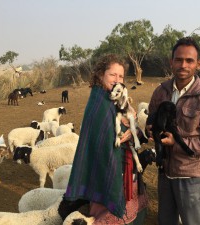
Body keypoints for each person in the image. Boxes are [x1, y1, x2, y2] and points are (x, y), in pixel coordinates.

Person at [146, 37, 200, 225]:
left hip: (190, 175)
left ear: (199, 64)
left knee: (192, 222)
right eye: (179, 59)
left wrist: (178, 143)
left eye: (189, 61)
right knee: (166, 221)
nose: (183, 65)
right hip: (164, 171)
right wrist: (150, 130)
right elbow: (152, 119)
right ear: (171, 62)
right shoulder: (161, 92)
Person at [59, 54, 148, 224]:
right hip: (108, 166)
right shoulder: (100, 101)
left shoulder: (110, 97)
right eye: (112, 75)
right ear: (101, 75)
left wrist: (130, 126)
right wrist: (126, 132)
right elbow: (103, 138)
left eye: (120, 76)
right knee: (104, 215)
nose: (117, 79)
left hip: (123, 165)